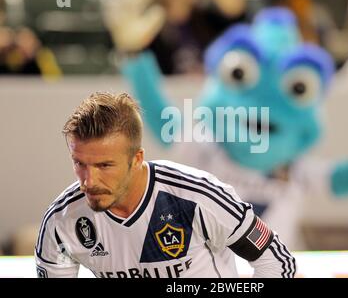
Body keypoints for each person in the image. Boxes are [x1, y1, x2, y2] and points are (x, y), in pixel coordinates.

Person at [34, 92, 296, 278]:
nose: (89, 181)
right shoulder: (62, 222)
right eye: (79, 163)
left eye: (104, 166)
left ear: (136, 159)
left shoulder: (198, 196)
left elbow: (275, 259)